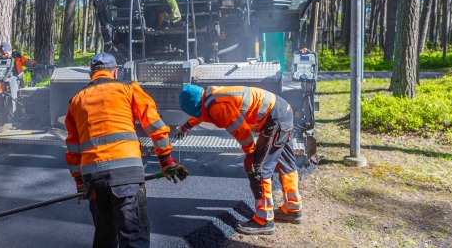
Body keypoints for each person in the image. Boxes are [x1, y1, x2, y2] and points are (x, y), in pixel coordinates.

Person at [64, 52, 189, 247]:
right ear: (115, 73)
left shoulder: (76, 101)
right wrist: (166, 161)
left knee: (105, 237)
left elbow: (73, 148)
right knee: (133, 237)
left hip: (94, 180)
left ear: (91, 74)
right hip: (126, 175)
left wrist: (80, 183)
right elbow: (156, 127)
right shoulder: (129, 89)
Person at [176, 84, 303, 235]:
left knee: (258, 169)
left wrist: (250, 154)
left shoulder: (217, 106)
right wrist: (186, 126)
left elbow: (242, 131)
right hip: (283, 112)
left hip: (275, 119)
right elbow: (202, 114)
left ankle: (264, 221)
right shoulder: (210, 96)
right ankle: (293, 209)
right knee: (286, 164)